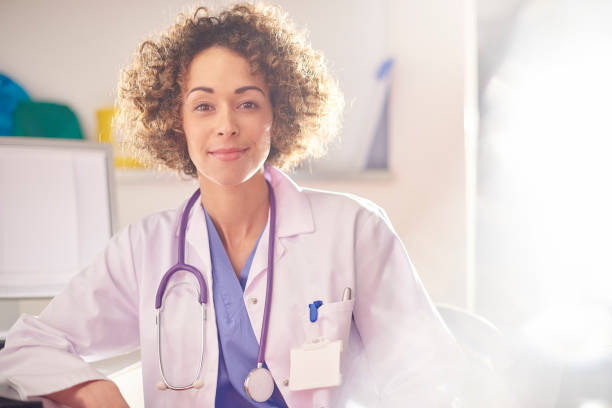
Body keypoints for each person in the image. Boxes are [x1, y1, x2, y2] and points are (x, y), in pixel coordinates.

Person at [0, 3, 466, 407]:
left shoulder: (354, 229)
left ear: (277, 116)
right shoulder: (145, 248)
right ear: (175, 120)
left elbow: (426, 377)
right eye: (203, 106)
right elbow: (26, 345)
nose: (226, 125)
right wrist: (89, 389)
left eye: (247, 103)